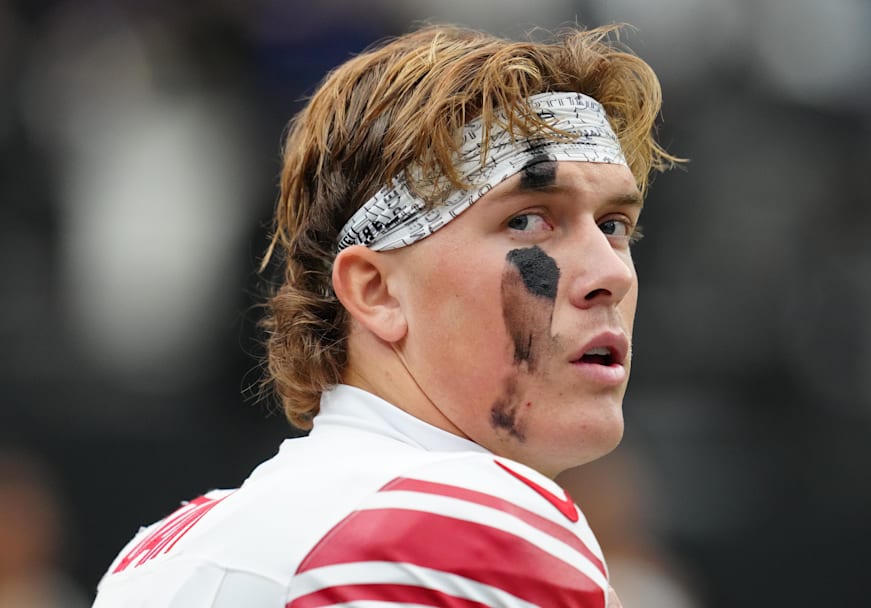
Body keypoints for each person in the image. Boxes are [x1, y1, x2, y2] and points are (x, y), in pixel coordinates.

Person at [92, 22, 679, 608]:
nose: (613, 273)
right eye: (527, 220)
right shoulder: (469, 524)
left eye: (613, 226)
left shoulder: (157, 554)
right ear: (375, 291)